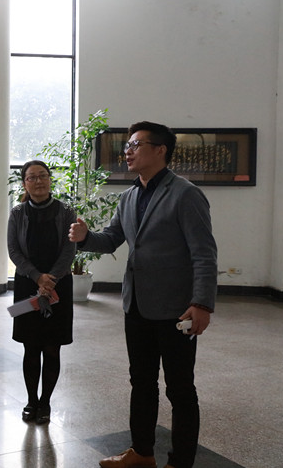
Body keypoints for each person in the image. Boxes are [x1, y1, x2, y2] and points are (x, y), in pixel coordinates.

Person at [69, 121, 217, 468]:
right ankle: (142, 452)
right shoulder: (130, 196)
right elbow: (111, 239)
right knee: (142, 382)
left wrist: (201, 303)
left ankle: (180, 461)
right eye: (128, 145)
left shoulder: (186, 194)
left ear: (160, 150)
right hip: (136, 305)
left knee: (180, 388)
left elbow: (204, 253)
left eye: (136, 144)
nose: (128, 151)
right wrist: (85, 238)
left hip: (176, 309)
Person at [7, 159, 76, 425]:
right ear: (24, 183)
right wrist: (38, 277)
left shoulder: (66, 211)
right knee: (30, 346)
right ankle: (31, 401)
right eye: (32, 177)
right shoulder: (17, 213)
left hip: (60, 287)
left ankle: (45, 402)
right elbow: (14, 250)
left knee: (52, 347)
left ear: (50, 179)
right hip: (27, 286)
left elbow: (70, 249)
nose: (38, 181)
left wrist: (51, 279)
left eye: (43, 176)